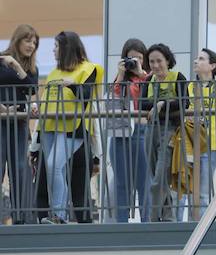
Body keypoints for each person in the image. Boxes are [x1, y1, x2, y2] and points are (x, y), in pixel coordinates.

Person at [37, 31, 103, 224]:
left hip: (73, 128)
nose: (53, 50)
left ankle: (59, 215)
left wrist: (73, 84)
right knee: (53, 170)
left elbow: (86, 94)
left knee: (53, 166)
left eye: (56, 46)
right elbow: (46, 100)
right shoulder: (53, 73)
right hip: (49, 126)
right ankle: (59, 215)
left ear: (67, 48)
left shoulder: (89, 68)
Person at [142, 43, 188, 222]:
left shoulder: (178, 77)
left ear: (167, 60)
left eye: (159, 61)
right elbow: (141, 104)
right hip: (151, 130)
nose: (155, 65)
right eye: (151, 61)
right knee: (155, 175)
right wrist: (160, 104)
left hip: (171, 131)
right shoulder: (148, 81)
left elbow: (184, 103)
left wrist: (162, 104)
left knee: (159, 178)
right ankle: (168, 217)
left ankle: (153, 219)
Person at [183, 48, 216, 216]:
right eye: (196, 58)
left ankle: (199, 231)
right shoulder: (188, 87)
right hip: (189, 145)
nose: (196, 61)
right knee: (187, 190)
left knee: (203, 194)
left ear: (212, 65)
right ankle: (188, 229)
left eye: (201, 59)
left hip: (210, 147)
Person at [108, 38, 150, 223]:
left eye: (139, 58)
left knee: (144, 182)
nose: (134, 62)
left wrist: (141, 73)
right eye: (131, 59)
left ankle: (146, 222)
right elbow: (112, 97)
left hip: (141, 131)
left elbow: (150, 95)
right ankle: (121, 223)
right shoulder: (120, 79)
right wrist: (120, 74)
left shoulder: (148, 78)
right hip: (120, 133)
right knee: (121, 183)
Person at [0, 24, 39, 224]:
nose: (31, 45)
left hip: (19, 125)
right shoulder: (0, 60)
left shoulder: (30, 68)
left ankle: (20, 219)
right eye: (27, 40)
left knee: (19, 170)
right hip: (1, 122)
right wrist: (4, 110)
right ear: (17, 39)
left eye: (34, 42)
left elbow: (32, 89)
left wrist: (16, 65)